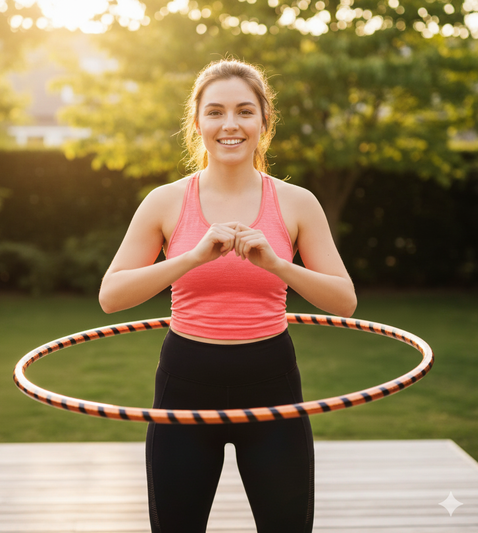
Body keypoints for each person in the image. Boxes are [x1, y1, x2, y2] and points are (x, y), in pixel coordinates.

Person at [99, 59, 356, 533]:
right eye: (215, 112)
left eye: (244, 111)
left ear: (264, 121)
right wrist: (193, 257)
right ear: (196, 122)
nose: (230, 125)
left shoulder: (297, 203)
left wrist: (278, 265)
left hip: (272, 380)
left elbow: (345, 301)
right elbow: (111, 297)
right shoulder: (165, 201)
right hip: (185, 384)